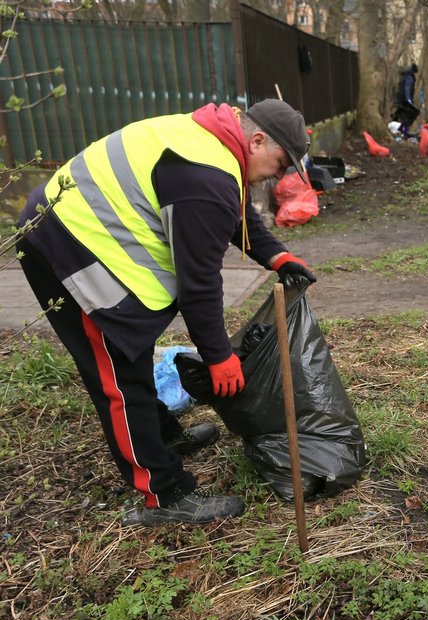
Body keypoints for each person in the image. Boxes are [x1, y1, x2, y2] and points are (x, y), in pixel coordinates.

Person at [17, 99, 318, 526]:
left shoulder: (214, 142)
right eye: (282, 162)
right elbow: (198, 284)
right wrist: (217, 355)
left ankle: (161, 439)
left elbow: (232, 210)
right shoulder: (206, 174)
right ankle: (164, 493)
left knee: (129, 353)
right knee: (118, 375)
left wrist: (277, 256)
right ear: (256, 139)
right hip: (66, 248)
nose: (281, 175)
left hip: (81, 232)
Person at [394, 63, 420, 140]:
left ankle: (403, 131)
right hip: (405, 100)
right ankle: (404, 132)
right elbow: (407, 88)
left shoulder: (403, 77)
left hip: (400, 99)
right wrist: (409, 100)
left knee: (405, 117)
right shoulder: (410, 77)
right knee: (411, 115)